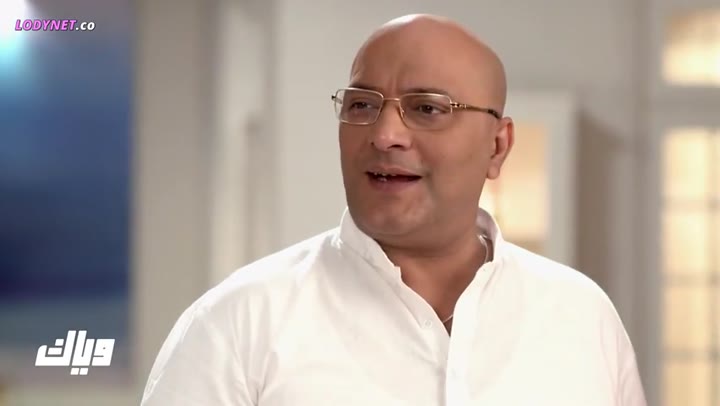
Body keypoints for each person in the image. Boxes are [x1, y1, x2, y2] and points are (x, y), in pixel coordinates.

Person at [141, 14, 647, 406]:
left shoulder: (583, 317)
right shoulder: (236, 323)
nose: (385, 135)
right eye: (361, 105)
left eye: (427, 108)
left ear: (497, 146)